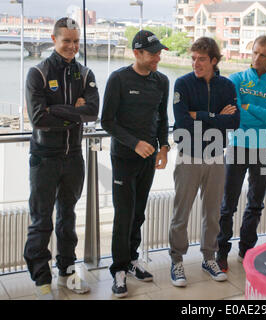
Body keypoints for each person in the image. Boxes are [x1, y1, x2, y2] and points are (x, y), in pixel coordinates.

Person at [23, 17, 99, 299]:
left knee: (68, 216)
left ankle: (66, 270)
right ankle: (41, 276)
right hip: (44, 157)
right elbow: (39, 119)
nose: (72, 46)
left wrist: (59, 110)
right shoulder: (38, 73)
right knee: (41, 219)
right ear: (53, 39)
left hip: (74, 156)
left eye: (76, 41)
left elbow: (92, 113)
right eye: (66, 40)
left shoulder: (86, 73)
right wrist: (73, 111)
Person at [101, 30, 170, 297]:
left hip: (150, 157)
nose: (158, 57)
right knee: (124, 214)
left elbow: (162, 117)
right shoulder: (118, 79)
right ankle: (118, 269)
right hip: (123, 158)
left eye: (159, 52)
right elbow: (107, 122)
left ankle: (131, 260)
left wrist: (163, 147)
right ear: (137, 53)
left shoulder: (161, 80)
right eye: (153, 54)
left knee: (139, 212)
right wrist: (134, 143)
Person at [169, 37, 240, 287]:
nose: (195, 63)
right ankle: (176, 260)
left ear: (213, 61)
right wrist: (214, 117)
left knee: (212, 215)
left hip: (216, 157)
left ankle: (208, 258)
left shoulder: (227, 87)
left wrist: (199, 115)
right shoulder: (183, 83)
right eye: (193, 58)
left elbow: (233, 122)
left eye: (201, 59)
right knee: (181, 213)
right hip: (188, 157)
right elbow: (182, 123)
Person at [216, 36, 266, 272]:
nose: (257, 58)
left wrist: (249, 107)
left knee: (256, 203)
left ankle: (246, 251)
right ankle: (221, 251)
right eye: (255, 52)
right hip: (237, 145)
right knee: (228, 204)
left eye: (263, 55)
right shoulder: (235, 79)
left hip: (264, 148)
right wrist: (258, 113)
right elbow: (235, 116)